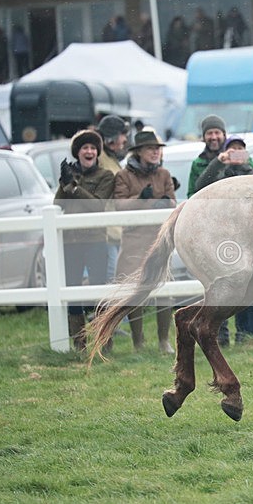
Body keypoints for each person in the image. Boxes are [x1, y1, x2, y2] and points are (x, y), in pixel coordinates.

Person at [190, 129, 253, 346]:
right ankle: (218, 335)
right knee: (220, 284)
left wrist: (246, 168)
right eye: (232, 151)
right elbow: (198, 189)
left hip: (248, 235)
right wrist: (219, 163)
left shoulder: (250, 170)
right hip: (220, 234)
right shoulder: (214, 170)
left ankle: (251, 335)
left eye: (240, 151)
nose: (236, 154)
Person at [113, 130, 176, 354]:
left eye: (158, 148)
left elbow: (172, 201)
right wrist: (141, 200)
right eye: (151, 148)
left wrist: (165, 203)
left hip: (159, 238)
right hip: (134, 239)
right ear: (139, 152)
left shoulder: (164, 174)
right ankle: (138, 342)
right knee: (133, 290)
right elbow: (119, 206)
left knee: (164, 289)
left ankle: (163, 341)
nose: (156, 152)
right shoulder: (123, 176)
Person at [53, 130, 115, 351]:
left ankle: (104, 341)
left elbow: (97, 205)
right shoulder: (72, 175)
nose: (89, 151)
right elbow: (58, 204)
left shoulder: (106, 176)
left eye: (92, 148)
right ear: (77, 153)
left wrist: (76, 189)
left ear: (97, 152)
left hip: (96, 241)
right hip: (71, 242)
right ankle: (79, 344)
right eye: (84, 148)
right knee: (72, 291)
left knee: (100, 291)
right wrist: (64, 183)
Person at [96, 115, 130, 282]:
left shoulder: (111, 159)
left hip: (115, 228)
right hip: (105, 229)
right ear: (111, 139)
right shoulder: (100, 159)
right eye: (122, 135)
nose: (124, 140)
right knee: (110, 278)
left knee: (115, 276)